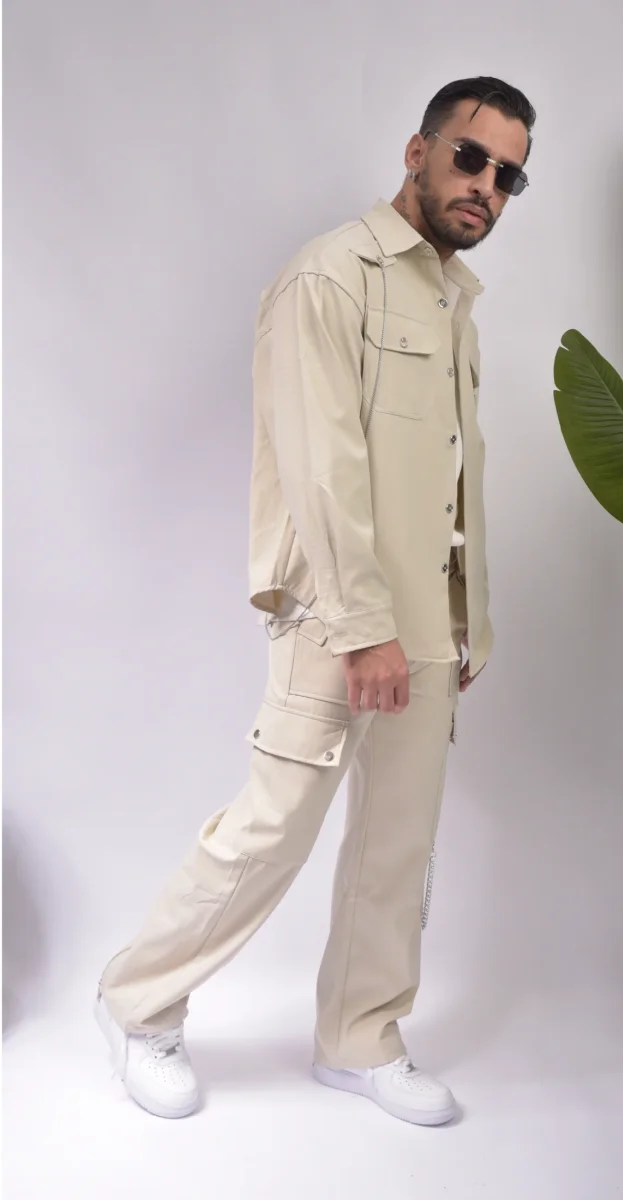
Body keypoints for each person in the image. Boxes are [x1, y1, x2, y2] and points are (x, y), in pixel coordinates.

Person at [95, 74, 536, 1127]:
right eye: (469, 156)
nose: (485, 185)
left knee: (396, 846)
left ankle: (359, 1036)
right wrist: (364, 628)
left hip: (425, 629)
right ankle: (135, 1002)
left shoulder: (454, 300)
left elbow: (451, 476)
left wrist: (464, 618)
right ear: (417, 151)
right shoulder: (328, 278)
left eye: (508, 176)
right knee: (273, 830)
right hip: (337, 621)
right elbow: (321, 471)